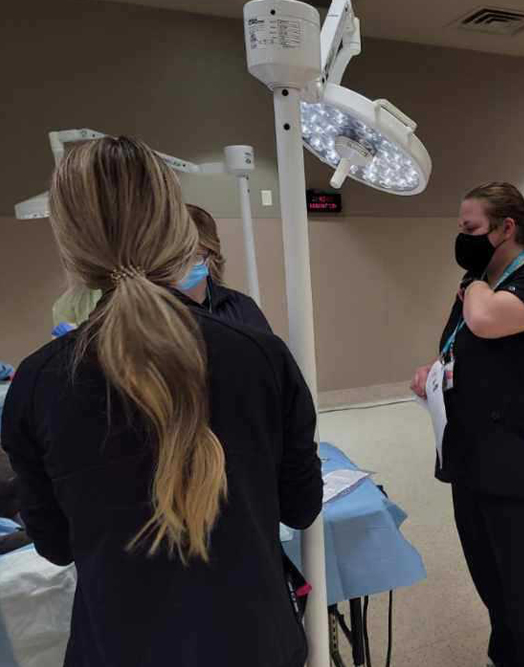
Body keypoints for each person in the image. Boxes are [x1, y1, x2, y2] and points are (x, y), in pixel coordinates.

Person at [0, 136, 322, 667]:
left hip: (118, 645)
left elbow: (55, 545)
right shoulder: (259, 355)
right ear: (177, 229)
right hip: (254, 641)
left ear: (69, 243)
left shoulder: (37, 384)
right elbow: (302, 504)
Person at [410, 182, 524, 667]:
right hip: (473, 457)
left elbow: (484, 321)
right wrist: (435, 372)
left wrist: (476, 283)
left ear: (507, 228)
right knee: (494, 584)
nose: (462, 239)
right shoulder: (477, 287)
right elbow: (460, 343)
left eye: (470, 229)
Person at [51, 204, 271, 335]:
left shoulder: (241, 309)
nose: (178, 267)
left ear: (210, 256)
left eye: (191, 256)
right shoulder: (143, 314)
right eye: (172, 257)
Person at [182, 204, 272, 333]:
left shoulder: (241, 308)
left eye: (195, 258)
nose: (181, 269)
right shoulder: (152, 311)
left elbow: (267, 351)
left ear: (211, 257)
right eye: (174, 259)